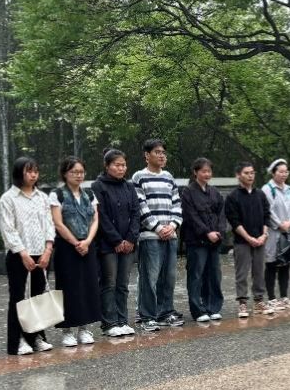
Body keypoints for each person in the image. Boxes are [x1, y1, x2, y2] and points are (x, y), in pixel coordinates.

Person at [0, 156, 56, 355]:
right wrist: (23, 253)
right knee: (19, 297)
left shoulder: (42, 197)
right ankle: (19, 340)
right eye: (29, 171)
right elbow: (8, 229)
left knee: (38, 296)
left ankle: (36, 337)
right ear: (19, 173)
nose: (33, 175)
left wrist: (48, 249)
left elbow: (49, 224)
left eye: (35, 171)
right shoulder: (8, 199)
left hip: (42, 254)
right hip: (18, 255)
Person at [49, 156, 102, 346]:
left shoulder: (89, 194)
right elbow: (58, 223)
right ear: (65, 173)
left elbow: (95, 220)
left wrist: (87, 241)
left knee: (88, 286)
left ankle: (84, 328)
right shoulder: (57, 194)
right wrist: (75, 243)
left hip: (87, 246)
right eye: (74, 172)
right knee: (68, 287)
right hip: (67, 247)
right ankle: (67, 331)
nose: (78, 175)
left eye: (81, 172)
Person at [132, 138, 184, 331]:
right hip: (150, 236)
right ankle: (147, 316)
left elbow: (177, 204)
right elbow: (140, 206)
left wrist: (172, 225)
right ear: (147, 155)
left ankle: (165, 313)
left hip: (170, 235)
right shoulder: (139, 177)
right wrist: (157, 228)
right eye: (157, 152)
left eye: (163, 152)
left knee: (169, 277)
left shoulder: (169, 177)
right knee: (149, 278)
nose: (162, 156)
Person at [91, 148, 140, 338]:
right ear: (107, 166)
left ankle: (122, 320)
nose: (121, 168)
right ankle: (109, 323)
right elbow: (100, 216)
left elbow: (135, 213)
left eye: (123, 165)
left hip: (128, 244)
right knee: (109, 283)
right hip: (108, 245)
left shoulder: (129, 187)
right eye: (117, 165)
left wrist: (131, 239)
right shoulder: (98, 186)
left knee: (123, 284)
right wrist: (117, 240)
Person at [180, 157, 225, 323]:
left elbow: (221, 213)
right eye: (203, 171)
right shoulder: (188, 192)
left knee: (214, 274)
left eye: (209, 171)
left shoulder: (215, 192)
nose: (207, 174)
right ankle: (198, 310)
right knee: (196, 275)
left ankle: (213, 307)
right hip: (197, 241)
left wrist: (219, 232)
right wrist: (207, 232)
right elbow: (190, 216)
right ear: (195, 172)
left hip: (215, 240)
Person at [225, 161, 272, 318]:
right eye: (246, 173)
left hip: (260, 239)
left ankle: (259, 302)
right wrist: (248, 238)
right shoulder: (233, 197)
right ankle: (242, 303)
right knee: (242, 273)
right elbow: (234, 221)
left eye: (252, 172)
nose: (250, 176)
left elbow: (267, 215)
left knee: (259, 271)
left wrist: (264, 235)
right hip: (242, 241)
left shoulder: (260, 195)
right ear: (238, 175)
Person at [262, 158, 290, 311]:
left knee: (286, 263)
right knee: (271, 264)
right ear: (273, 173)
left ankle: (284, 296)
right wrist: (280, 224)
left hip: (288, 232)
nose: (284, 174)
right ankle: (271, 298)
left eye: (286, 172)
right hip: (273, 232)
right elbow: (268, 210)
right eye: (280, 172)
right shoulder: (267, 189)